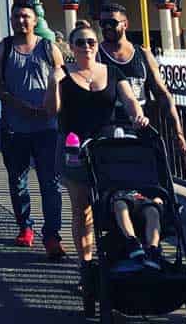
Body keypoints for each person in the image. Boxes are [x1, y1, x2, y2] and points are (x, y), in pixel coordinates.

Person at [44, 20, 148, 276]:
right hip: (74, 148)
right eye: (80, 42)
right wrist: (52, 82)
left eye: (91, 42)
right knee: (82, 208)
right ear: (72, 46)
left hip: (108, 147)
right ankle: (86, 265)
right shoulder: (63, 74)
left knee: (116, 198)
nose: (87, 46)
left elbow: (130, 100)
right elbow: (51, 111)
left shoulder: (111, 72)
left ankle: (122, 249)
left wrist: (138, 116)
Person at [0, 2, 66, 257]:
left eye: (26, 17)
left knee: (50, 183)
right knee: (18, 180)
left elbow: (62, 78)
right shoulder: (2, 49)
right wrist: (18, 104)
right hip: (15, 127)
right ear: (11, 20)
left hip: (47, 127)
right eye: (16, 17)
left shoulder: (48, 47)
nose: (21, 21)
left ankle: (52, 235)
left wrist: (51, 104)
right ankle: (25, 226)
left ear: (35, 21)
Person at [97, 2, 186, 152]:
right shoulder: (97, 56)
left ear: (125, 24)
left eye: (112, 22)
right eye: (103, 23)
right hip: (107, 130)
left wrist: (177, 132)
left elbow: (162, 94)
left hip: (140, 127)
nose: (107, 27)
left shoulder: (143, 55)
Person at [110, 189, 165, 270]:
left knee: (153, 212)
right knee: (120, 206)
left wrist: (158, 198)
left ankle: (153, 249)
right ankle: (132, 241)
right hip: (120, 195)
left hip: (144, 198)